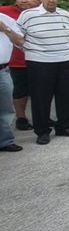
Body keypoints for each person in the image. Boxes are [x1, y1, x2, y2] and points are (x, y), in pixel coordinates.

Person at [9, 0, 69, 145]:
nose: (51, 0)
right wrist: (27, 49)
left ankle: (64, 127)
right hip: (40, 62)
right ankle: (42, 131)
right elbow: (18, 36)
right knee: (41, 98)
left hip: (65, 60)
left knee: (66, 96)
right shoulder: (28, 15)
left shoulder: (63, 14)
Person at [0, 0, 40, 131]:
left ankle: (42, 118)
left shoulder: (43, 11)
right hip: (17, 61)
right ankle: (21, 118)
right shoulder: (5, 12)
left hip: (41, 59)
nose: (23, 1)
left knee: (40, 91)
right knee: (19, 91)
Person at [0, 12, 23, 152]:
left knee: (6, 109)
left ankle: (6, 141)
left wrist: (6, 29)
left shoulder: (6, 19)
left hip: (2, 70)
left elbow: (20, 41)